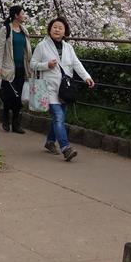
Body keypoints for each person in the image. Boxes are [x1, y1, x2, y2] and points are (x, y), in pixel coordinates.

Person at [30, 17, 94, 162]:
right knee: (58, 117)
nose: (57, 29)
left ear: (65, 31)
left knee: (59, 118)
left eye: (60, 28)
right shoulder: (42, 46)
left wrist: (86, 77)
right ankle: (66, 148)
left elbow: (76, 64)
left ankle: (50, 142)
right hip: (49, 87)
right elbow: (32, 64)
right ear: (49, 29)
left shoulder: (68, 47)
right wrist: (46, 65)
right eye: (54, 27)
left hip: (65, 88)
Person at [0, 5, 32, 133]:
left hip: (21, 68)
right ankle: (5, 117)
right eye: (22, 13)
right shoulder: (5, 30)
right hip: (8, 68)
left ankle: (16, 123)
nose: (24, 15)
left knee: (18, 96)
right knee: (10, 95)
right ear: (16, 15)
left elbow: (27, 51)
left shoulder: (24, 30)